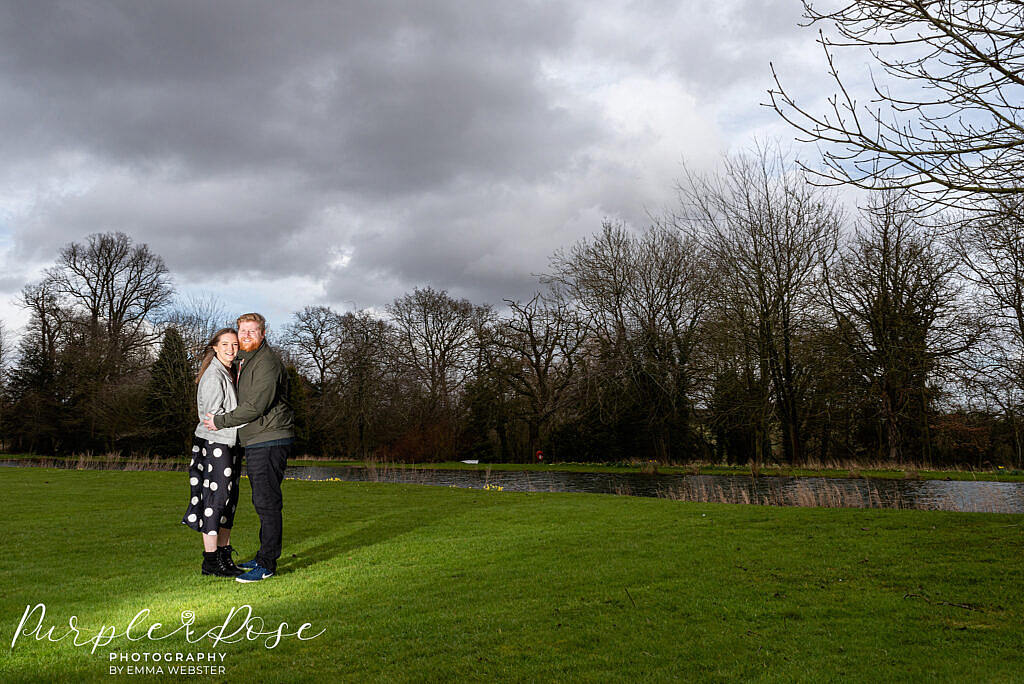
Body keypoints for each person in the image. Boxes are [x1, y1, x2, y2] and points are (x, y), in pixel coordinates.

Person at [203, 312, 294, 583]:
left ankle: (267, 564)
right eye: (243, 332)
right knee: (261, 501)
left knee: (267, 503)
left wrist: (220, 421)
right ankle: (262, 555)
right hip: (256, 439)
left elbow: (255, 406)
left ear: (263, 334)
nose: (246, 336)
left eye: (252, 332)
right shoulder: (246, 360)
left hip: (269, 439)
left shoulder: (267, 363)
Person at [184, 327, 245, 577]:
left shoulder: (230, 372)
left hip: (230, 443)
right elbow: (211, 417)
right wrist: (244, 420)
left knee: (229, 501)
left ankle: (223, 553)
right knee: (215, 500)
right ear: (215, 347)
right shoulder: (213, 376)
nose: (231, 349)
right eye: (226, 344)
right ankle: (210, 560)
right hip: (216, 443)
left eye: (235, 345)